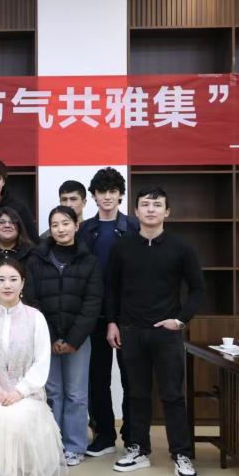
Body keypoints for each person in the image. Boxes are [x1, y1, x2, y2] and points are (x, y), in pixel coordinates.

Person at [106, 186, 205, 476]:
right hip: (131, 331)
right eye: (145, 205)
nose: (151, 210)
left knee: (172, 395)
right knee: (136, 394)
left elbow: (198, 288)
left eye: (157, 205)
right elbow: (111, 288)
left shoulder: (181, 247)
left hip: (166, 334)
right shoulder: (122, 246)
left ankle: (182, 454)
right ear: (136, 211)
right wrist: (112, 323)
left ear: (167, 211)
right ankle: (138, 449)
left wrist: (181, 320)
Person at [0, 259, 66, 476]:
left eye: (13, 279)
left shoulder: (36, 318)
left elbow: (41, 362)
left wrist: (19, 391)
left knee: (19, 417)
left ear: (22, 283)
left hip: (27, 393)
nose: (7, 285)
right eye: (1, 280)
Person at [26, 206, 102, 467]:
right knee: (52, 393)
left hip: (77, 340)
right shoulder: (37, 259)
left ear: (76, 226)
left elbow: (92, 303)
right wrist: (49, 338)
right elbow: (32, 299)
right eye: (55, 224)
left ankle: (75, 446)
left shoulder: (89, 261)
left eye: (66, 223)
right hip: (45, 339)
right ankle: (52, 445)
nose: (60, 229)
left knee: (77, 395)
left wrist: (72, 340)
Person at [78, 166, 139, 458]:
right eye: (101, 191)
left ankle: (132, 435)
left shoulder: (134, 228)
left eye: (113, 191)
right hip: (94, 314)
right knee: (97, 378)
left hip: (127, 315)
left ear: (121, 194)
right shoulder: (84, 230)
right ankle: (103, 434)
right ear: (93, 195)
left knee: (131, 377)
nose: (107, 197)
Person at [0, 207, 36, 305]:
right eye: (1, 222)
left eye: (12, 222)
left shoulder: (32, 254)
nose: (7, 225)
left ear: (19, 227)